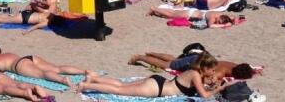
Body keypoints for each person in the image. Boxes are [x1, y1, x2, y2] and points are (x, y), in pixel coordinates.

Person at [77, 53, 236, 98]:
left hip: (158, 81)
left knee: (121, 84)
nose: (213, 72)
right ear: (205, 67)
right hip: (156, 89)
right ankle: (86, 85)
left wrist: (213, 84)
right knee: (118, 90)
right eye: (212, 70)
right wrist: (222, 87)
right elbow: (204, 95)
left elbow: (204, 86)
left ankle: (94, 78)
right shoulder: (195, 75)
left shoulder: (194, 72)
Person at [0, 40, 86, 88]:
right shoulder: (7, 54)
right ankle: (84, 71)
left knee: (42, 74)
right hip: (29, 58)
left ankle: (63, 80)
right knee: (57, 68)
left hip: (20, 65)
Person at [128, 51, 256, 82]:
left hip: (202, 58)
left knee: (176, 60)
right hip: (196, 63)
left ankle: (152, 53)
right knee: (168, 65)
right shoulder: (221, 73)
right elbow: (207, 80)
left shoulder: (234, 66)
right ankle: (140, 57)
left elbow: (249, 69)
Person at [148, 6, 240, 28]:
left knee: (171, 14)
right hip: (189, 14)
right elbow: (211, 25)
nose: (218, 23)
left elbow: (234, 18)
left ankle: (156, 10)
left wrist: (231, 22)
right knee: (170, 14)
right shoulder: (213, 17)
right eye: (219, 21)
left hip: (192, 12)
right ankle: (154, 8)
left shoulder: (221, 15)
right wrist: (223, 25)